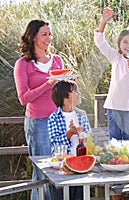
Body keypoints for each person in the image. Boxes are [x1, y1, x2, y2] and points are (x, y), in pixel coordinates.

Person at [14, 19, 63, 200]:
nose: (49, 38)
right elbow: (23, 98)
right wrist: (47, 84)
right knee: (42, 172)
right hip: (38, 123)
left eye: (50, 34)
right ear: (33, 37)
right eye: (44, 34)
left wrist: (68, 83)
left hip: (58, 121)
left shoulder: (57, 60)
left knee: (59, 169)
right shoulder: (23, 64)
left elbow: (61, 90)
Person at [94, 7, 129, 140]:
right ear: (119, 45)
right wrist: (104, 21)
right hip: (114, 107)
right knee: (115, 142)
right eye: (125, 42)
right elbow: (100, 42)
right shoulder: (115, 58)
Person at [48, 80, 91, 200]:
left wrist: (81, 135)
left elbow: (89, 138)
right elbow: (55, 144)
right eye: (75, 91)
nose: (79, 94)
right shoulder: (54, 118)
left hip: (80, 163)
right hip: (62, 167)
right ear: (66, 96)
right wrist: (69, 133)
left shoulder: (82, 114)